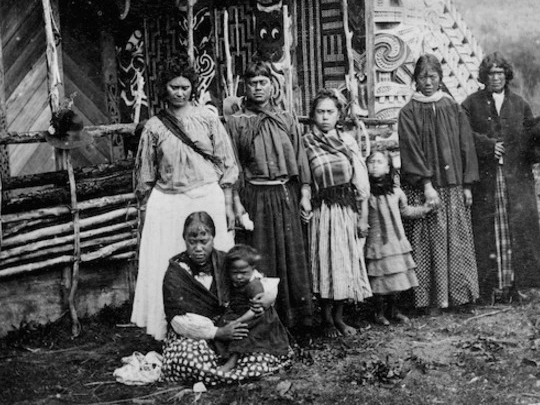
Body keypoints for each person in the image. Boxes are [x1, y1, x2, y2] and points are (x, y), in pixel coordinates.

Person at [132, 56, 238, 340]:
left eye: (185, 87)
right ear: (164, 89)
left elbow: (226, 161)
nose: (179, 93)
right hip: (168, 202)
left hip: (206, 197)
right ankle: (170, 330)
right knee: (169, 264)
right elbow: (146, 173)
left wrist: (227, 202)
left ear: (194, 88)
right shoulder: (154, 127)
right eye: (173, 87)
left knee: (212, 261)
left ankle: (217, 326)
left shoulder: (207, 118)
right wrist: (145, 209)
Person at [225, 61, 314, 329]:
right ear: (246, 88)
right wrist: (239, 203)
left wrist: (306, 194)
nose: (258, 88)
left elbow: (300, 158)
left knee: (292, 258)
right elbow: (235, 166)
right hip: (256, 196)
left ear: (272, 85)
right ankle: (265, 325)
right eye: (252, 84)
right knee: (262, 257)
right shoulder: (238, 122)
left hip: (287, 193)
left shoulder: (286, 118)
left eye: (263, 82)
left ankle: (297, 322)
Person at [162, 212, 290, 385]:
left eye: (204, 242)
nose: (198, 248)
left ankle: (227, 366)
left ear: (213, 238)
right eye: (192, 242)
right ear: (184, 240)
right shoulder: (176, 273)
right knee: (187, 356)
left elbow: (258, 280)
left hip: (231, 324)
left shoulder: (225, 260)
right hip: (197, 334)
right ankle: (229, 368)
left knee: (259, 329)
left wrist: (267, 298)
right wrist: (219, 333)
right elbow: (178, 322)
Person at [461, 52, 540, 304]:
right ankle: (487, 289)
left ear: (506, 75)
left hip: (516, 178)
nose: (496, 78)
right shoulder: (471, 103)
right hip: (486, 179)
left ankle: (516, 286)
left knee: (516, 229)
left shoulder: (520, 104)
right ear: (484, 77)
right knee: (488, 229)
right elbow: (463, 134)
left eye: (500, 73)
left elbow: (535, 141)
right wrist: (488, 145)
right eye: (491, 73)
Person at [398, 54, 480, 313]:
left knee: (456, 240)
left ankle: (459, 297)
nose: (428, 82)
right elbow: (410, 150)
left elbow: (466, 144)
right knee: (428, 243)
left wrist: (467, 184)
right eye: (423, 77)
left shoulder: (451, 107)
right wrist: (426, 184)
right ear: (416, 80)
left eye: (433, 77)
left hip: (453, 186)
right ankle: (432, 299)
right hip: (427, 189)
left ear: (440, 78)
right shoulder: (409, 112)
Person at [302, 89, 371, 336]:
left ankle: (340, 318)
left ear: (338, 114)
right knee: (324, 263)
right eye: (320, 112)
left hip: (345, 211)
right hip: (322, 212)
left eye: (330, 112)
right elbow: (306, 180)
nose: (324, 117)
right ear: (313, 115)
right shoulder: (306, 143)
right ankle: (327, 320)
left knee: (343, 263)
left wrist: (362, 217)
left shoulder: (348, 142)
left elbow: (361, 184)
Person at [365, 149, 427, 325]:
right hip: (377, 243)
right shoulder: (364, 192)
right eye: (372, 162)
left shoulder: (396, 192)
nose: (375, 166)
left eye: (380, 162)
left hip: (396, 242)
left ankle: (394, 310)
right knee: (379, 278)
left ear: (388, 168)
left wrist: (425, 209)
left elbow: (405, 211)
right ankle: (378, 312)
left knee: (397, 276)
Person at [214, 245, 291, 373]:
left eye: (243, 273)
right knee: (222, 327)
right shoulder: (234, 282)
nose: (239, 277)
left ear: (252, 269)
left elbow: (256, 310)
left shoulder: (253, 285)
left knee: (242, 332)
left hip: (255, 316)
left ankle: (233, 360)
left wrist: (238, 320)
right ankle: (223, 355)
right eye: (235, 273)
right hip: (239, 312)